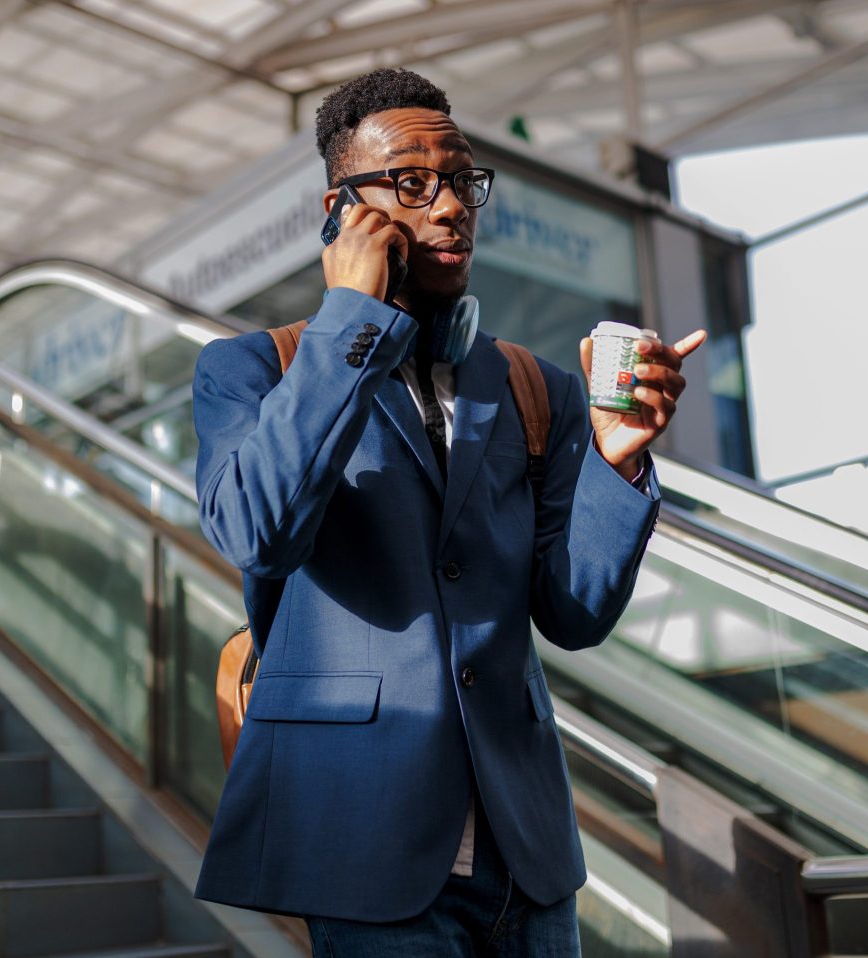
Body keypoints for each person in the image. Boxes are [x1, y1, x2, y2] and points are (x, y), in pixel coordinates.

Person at [191, 67, 705, 956]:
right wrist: (350, 316)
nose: (452, 206)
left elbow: (573, 613)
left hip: (528, 855)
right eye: (412, 183)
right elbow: (258, 532)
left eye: (462, 181)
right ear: (342, 207)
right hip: (366, 848)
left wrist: (617, 464)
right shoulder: (254, 371)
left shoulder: (532, 387)